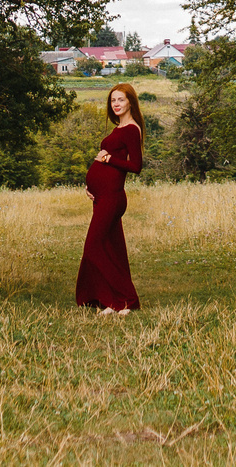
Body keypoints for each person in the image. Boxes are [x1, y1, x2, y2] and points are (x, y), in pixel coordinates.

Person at [74, 82, 144, 312]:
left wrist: (108, 160)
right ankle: (109, 300)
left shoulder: (132, 129)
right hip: (101, 196)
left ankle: (128, 299)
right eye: (113, 100)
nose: (116, 104)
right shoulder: (119, 128)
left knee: (94, 247)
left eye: (121, 100)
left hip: (113, 198)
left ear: (130, 102)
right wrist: (90, 185)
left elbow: (135, 166)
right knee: (111, 249)